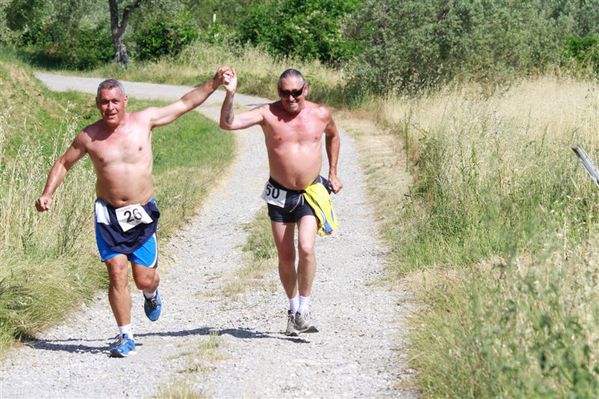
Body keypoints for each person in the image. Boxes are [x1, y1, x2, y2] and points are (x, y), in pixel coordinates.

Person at [35, 67, 230, 357]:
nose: (109, 107)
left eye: (115, 101)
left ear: (125, 100)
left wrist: (214, 83)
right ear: (97, 103)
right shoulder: (89, 136)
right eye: (103, 101)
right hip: (108, 215)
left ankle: (151, 294)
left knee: (144, 279)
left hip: (141, 214)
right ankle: (125, 335)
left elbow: (185, 103)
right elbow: (64, 162)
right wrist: (48, 193)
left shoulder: (144, 121)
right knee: (116, 272)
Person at [219, 68, 343, 336]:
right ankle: (292, 308)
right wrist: (230, 94)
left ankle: (304, 310)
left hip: (310, 192)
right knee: (286, 256)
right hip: (280, 194)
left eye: (296, 92)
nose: (291, 98)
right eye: (284, 93)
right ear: (278, 93)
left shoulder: (321, 113)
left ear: (305, 90)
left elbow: (333, 136)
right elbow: (228, 123)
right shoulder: (267, 114)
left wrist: (333, 172)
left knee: (306, 247)